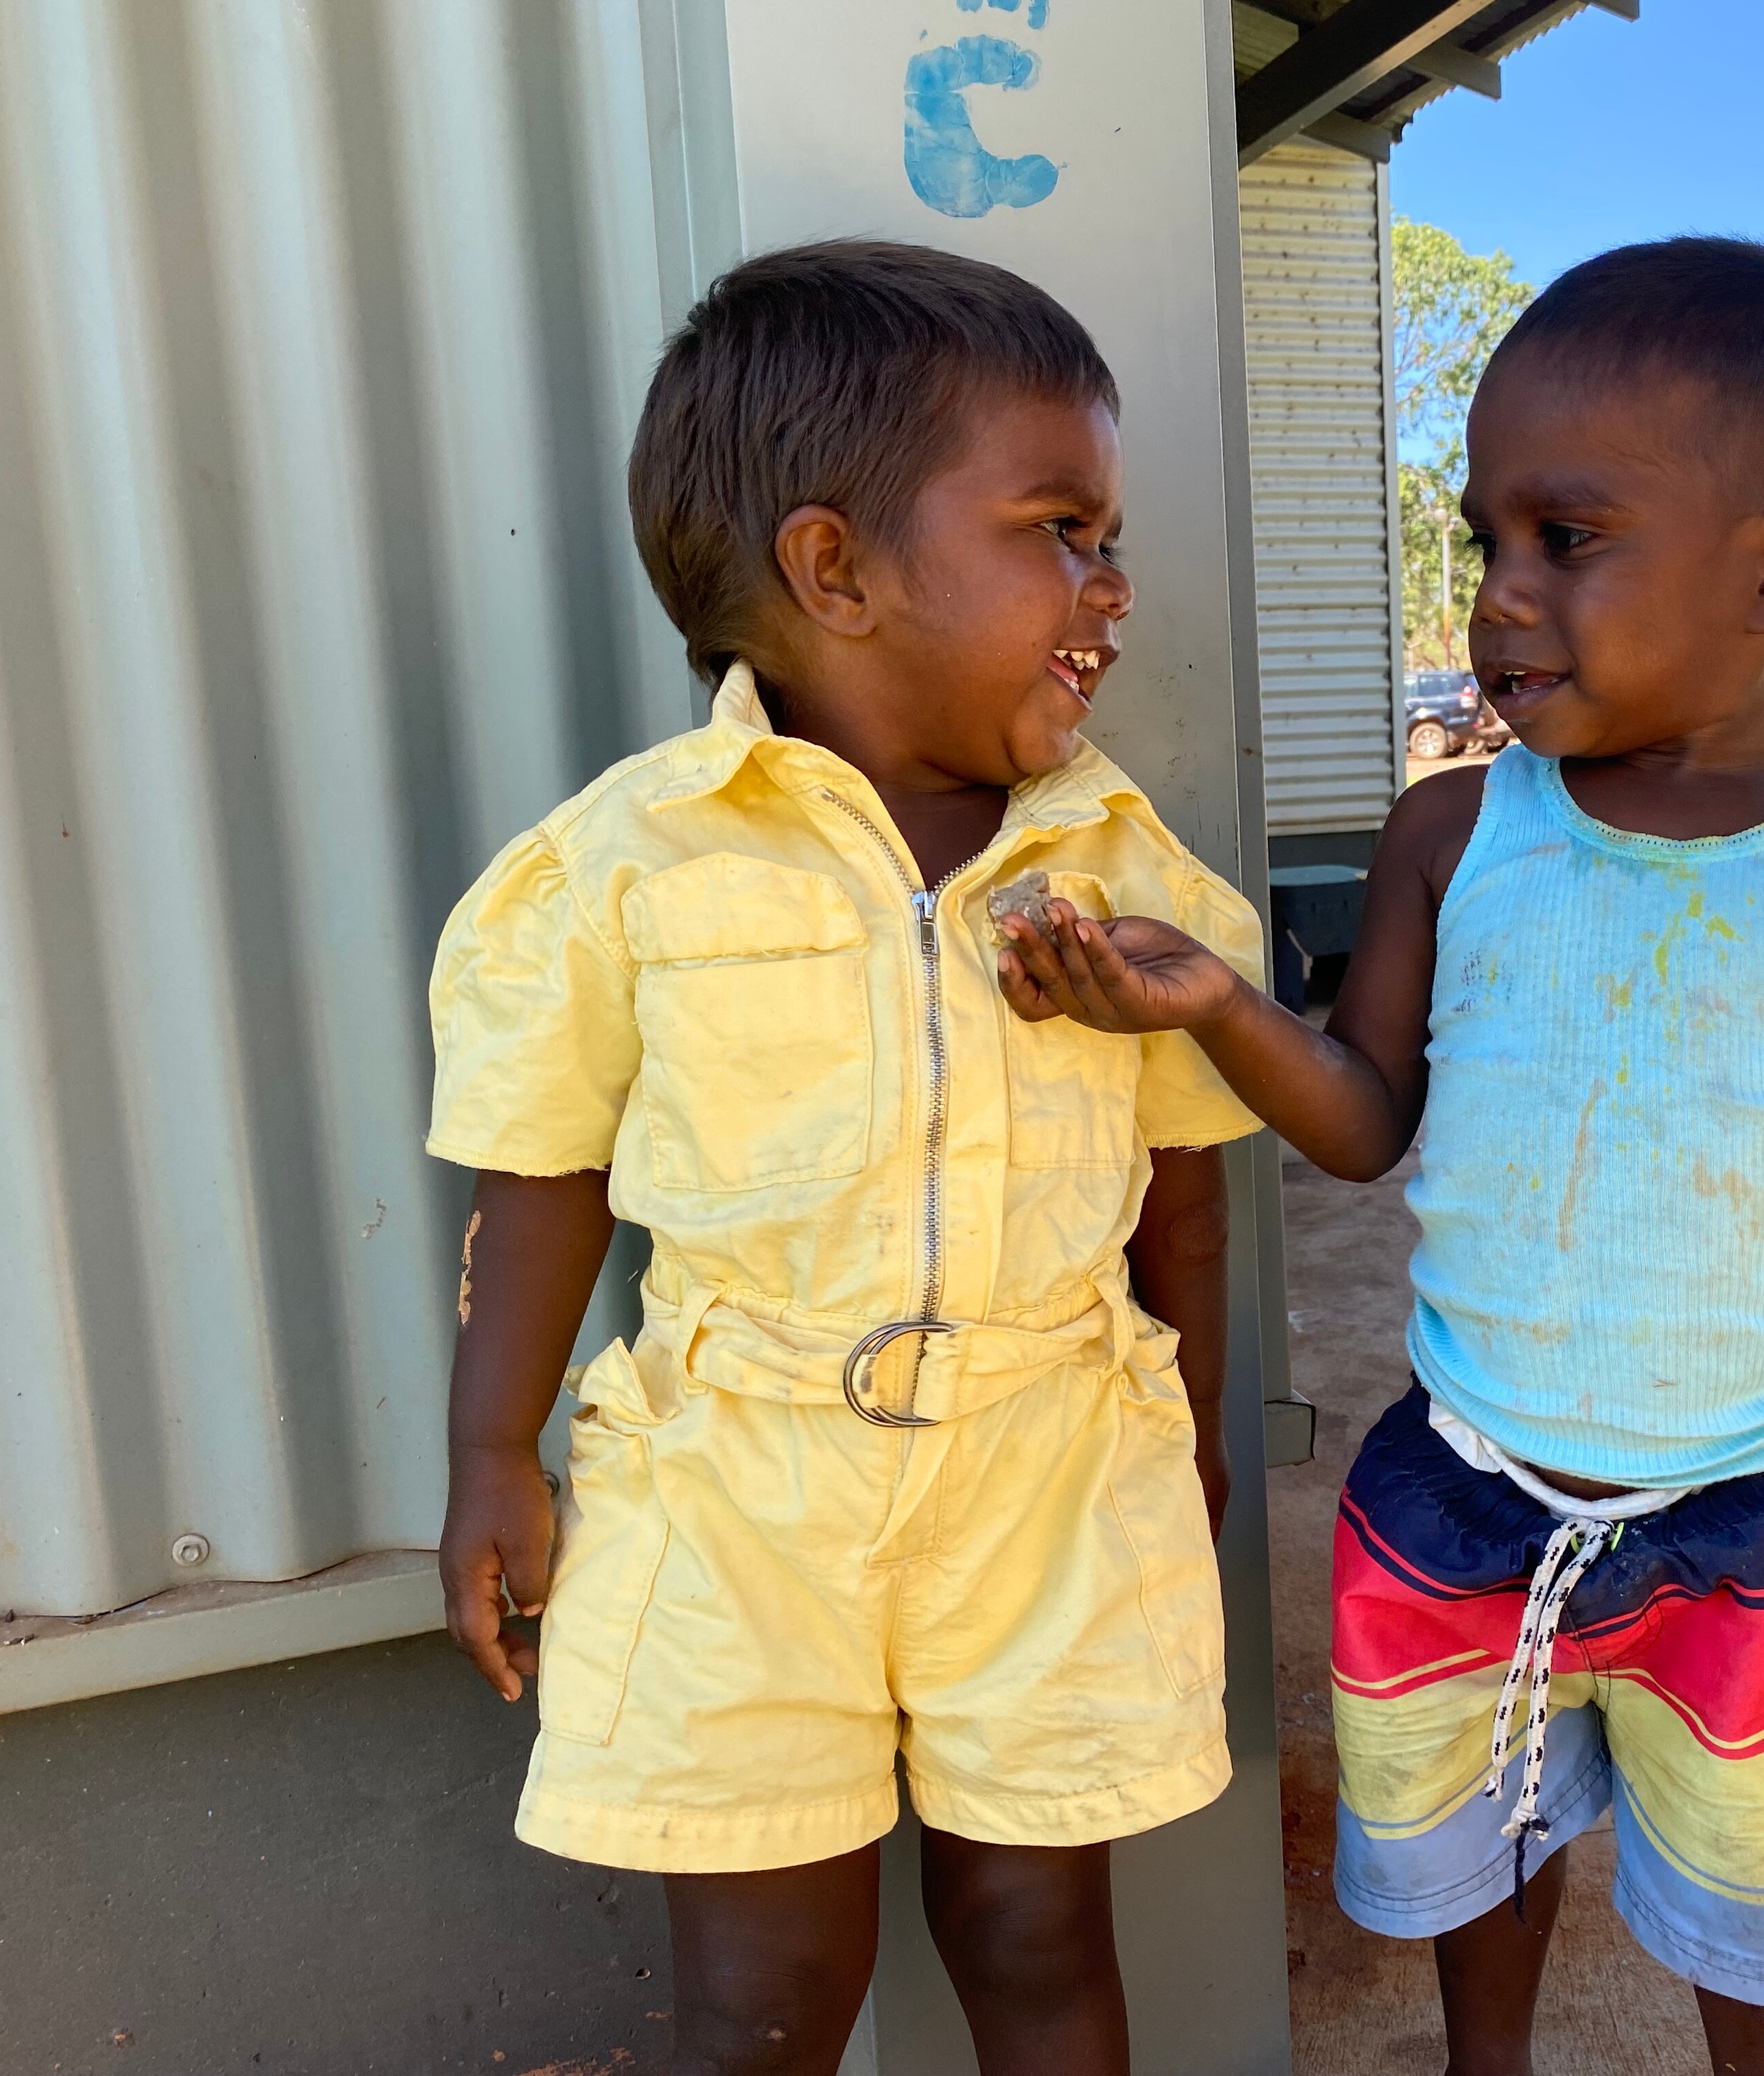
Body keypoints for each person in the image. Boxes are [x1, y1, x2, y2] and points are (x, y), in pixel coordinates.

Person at [993, 238, 1764, 2076]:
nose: (1501, 599)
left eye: (1569, 539)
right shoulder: (1448, 835)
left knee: (1762, 1920)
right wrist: (1219, 1010)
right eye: (1489, 543)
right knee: (1483, 1863)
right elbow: (1366, 1125)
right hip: (1461, 1508)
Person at [426, 240, 1268, 2076]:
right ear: (835, 568)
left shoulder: (1120, 874)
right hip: (735, 1491)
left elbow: (1184, 1193)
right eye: (1061, 525)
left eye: (1107, 532)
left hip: (1052, 1477)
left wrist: (1191, 1432)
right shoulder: (627, 868)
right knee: (760, 1995)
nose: (1112, 584)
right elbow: (543, 1171)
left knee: (1039, 1931)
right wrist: (496, 1453)